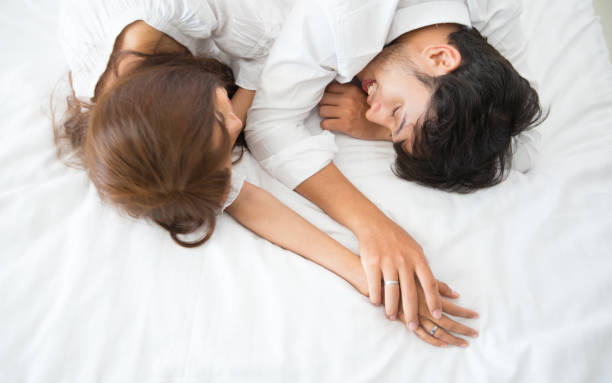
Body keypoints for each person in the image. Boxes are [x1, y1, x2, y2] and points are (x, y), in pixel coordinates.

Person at [54, 0, 478, 347]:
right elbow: (240, 196)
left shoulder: (181, 13)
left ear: (182, 90)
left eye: (224, 122)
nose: (238, 124)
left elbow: (271, 50)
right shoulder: (133, 139)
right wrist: (362, 273)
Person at [245, 0, 543, 334]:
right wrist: (375, 228)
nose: (372, 113)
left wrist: (381, 130)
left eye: (392, 124)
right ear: (440, 58)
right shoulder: (343, 15)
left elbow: (523, 143)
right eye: (396, 112)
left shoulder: (492, 15)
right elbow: (267, 124)